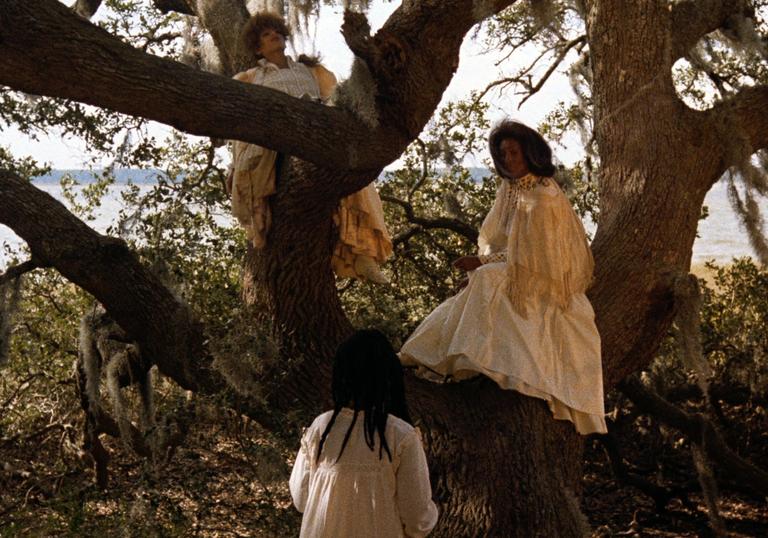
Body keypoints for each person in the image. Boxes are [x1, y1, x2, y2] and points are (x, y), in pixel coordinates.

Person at [400, 120, 607, 435]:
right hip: (513, 267)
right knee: (477, 282)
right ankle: (436, 357)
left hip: (542, 276)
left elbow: (536, 256)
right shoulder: (510, 189)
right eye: (503, 154)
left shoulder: (543, 194)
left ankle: (475, 359)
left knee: (484, 279)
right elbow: (500, 240)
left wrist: (482, 263)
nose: (508, 159)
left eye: (514, 152)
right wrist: (480, 265)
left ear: (529, 152)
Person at [228, 12, 392, 283]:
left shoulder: (311, 70)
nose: (275, 36)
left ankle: (363, 255)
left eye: (277, 31)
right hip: (278, 144)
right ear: (258, 48)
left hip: (316, 136)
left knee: (352, 176)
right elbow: (240, 126)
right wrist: (235, 165)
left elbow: (336, 103)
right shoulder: (250, 77)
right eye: (267, 35)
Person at [289, 329, 438, 537]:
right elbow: (417, 518)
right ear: (389, 376)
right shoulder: (400, 436)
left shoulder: (321, 428)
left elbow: (301, 498)